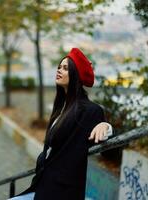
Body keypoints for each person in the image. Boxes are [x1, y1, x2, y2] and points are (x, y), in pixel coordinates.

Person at [9, 48, 114, 200]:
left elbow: (110, 152)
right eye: (59, 67)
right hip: (44, 185)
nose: (59, 70)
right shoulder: (61, 107)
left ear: (75, 75)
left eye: (65, 68)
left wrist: (107, 127)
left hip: (62, 193)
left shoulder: (89, 110)